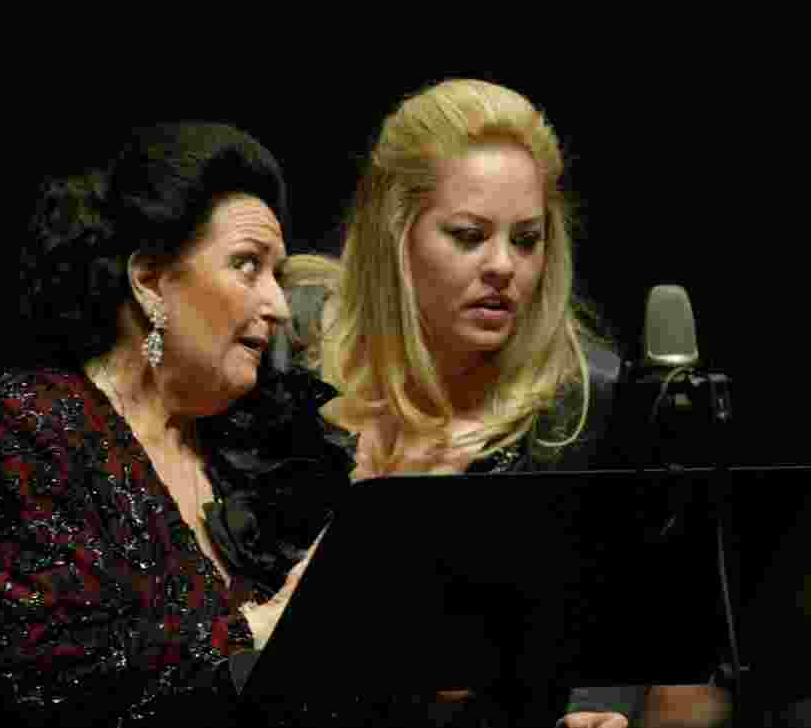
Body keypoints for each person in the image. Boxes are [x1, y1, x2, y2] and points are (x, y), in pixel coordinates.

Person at [0, 124, 354, 727]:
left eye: (277, 273)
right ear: (149, 280)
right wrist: (256, 626)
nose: (275, 303)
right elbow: (31, 680)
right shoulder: (24, 428)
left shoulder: (243, 446)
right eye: (247, 266)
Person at [282, 79, 658, 727]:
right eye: (468, 234)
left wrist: (598, 711)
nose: (502, 267)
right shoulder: (291, 356)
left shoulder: (584, 404)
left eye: (526, 239)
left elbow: (615, 630)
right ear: (394, 234)